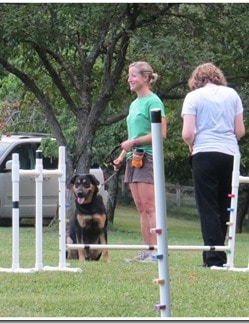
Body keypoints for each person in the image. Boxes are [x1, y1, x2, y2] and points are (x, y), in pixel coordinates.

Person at [181, 62, 245, 267]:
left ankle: (213, 257)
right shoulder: (232, 95)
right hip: (230, 155)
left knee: (208, 207)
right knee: (226, 205)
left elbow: (188, 133)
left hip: (204, 153)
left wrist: (191, 144)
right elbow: (240, 131)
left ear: (196, 80)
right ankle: (217, 256)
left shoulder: (193, 97)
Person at [113, 61, 167, 262]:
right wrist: (120, 156)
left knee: (150, 206)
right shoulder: (134, 103)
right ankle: (147, 250)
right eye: (129, 75)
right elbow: (131, 136)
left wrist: (134, 142)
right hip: (132, 158)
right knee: (140, 208)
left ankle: (157, 252)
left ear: (145, 78)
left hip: (148, 157)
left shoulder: (154, 102)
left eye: (133, 75)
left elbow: (161, 133)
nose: (129, 79)